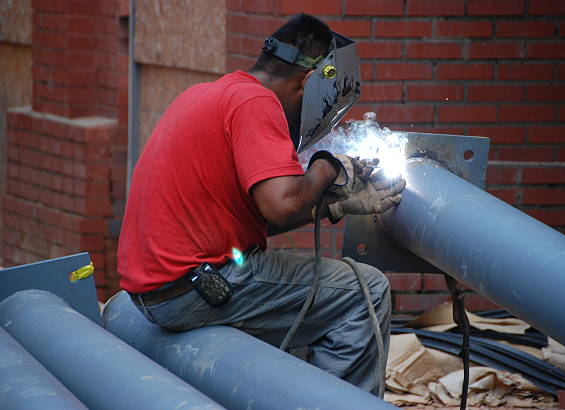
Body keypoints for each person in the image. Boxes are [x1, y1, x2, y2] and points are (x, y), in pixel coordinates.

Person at [117, 13, 405, 395]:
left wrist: (332, 206)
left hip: (158, 293)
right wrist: (325, 167)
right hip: (196, 289)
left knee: (316, 302)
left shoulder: (209, 93)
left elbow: (251, 216)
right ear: (307, 84)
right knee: (366, 291)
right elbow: (281, 205)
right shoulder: (256, 102)